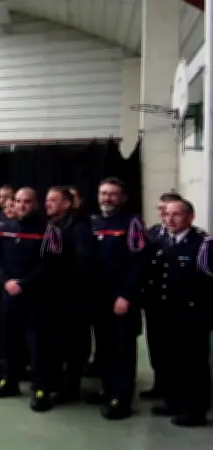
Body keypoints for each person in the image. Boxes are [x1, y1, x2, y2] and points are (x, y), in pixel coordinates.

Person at [0, 188, 61, 412]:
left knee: (37, 344)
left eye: (27, 202)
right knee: (9, 339)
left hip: (35, 296)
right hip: (8, 293)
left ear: (35, 204)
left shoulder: (48, 230)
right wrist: (5, 281)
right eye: (18, 201)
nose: (21, 205)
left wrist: (24, 283)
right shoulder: (4, 228)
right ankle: (10, 381)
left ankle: (41, 388)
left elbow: (49, 264)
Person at [148, 199, 211, 427]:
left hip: (192, 316)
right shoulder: (162, 240)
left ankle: (196, 410)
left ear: (190, 217)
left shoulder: (202, 244)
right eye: (166, 214)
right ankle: (174, 401)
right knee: (171, 360)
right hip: (167, 312)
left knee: (194, 364)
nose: (170, 219)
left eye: (176, 215)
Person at [88, 177, 145, 420]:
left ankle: (121, 399)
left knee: (122, 350)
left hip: (121, 299)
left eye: (112, 194)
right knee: (104, 348)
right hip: (99, 299)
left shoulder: (132, 223)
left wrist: (126, 295)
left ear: (123, 198)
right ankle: (108, 390)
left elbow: (138, 263)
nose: (107, 198)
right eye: (103, 193)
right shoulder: (94, 222)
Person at [45, 186, 94, 402]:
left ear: (66, 204)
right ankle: (58, 384)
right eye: (47, 199)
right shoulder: (50, 224)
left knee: (74, 344)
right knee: (56, 343)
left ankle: (71, 388)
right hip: (53, 295)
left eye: (53, 200)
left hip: (71, 295)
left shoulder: (78, 225)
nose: (47, 203)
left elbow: (83, 261)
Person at [140, 192, 183, 399]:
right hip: (154, 300)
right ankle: (160, 384)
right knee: (156, 345)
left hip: (177, 303)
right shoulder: (153, 233)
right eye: (161, 210)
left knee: (176, 348)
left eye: (168, 210)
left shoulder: (190, 237)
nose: (164, 215)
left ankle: (176, 390)